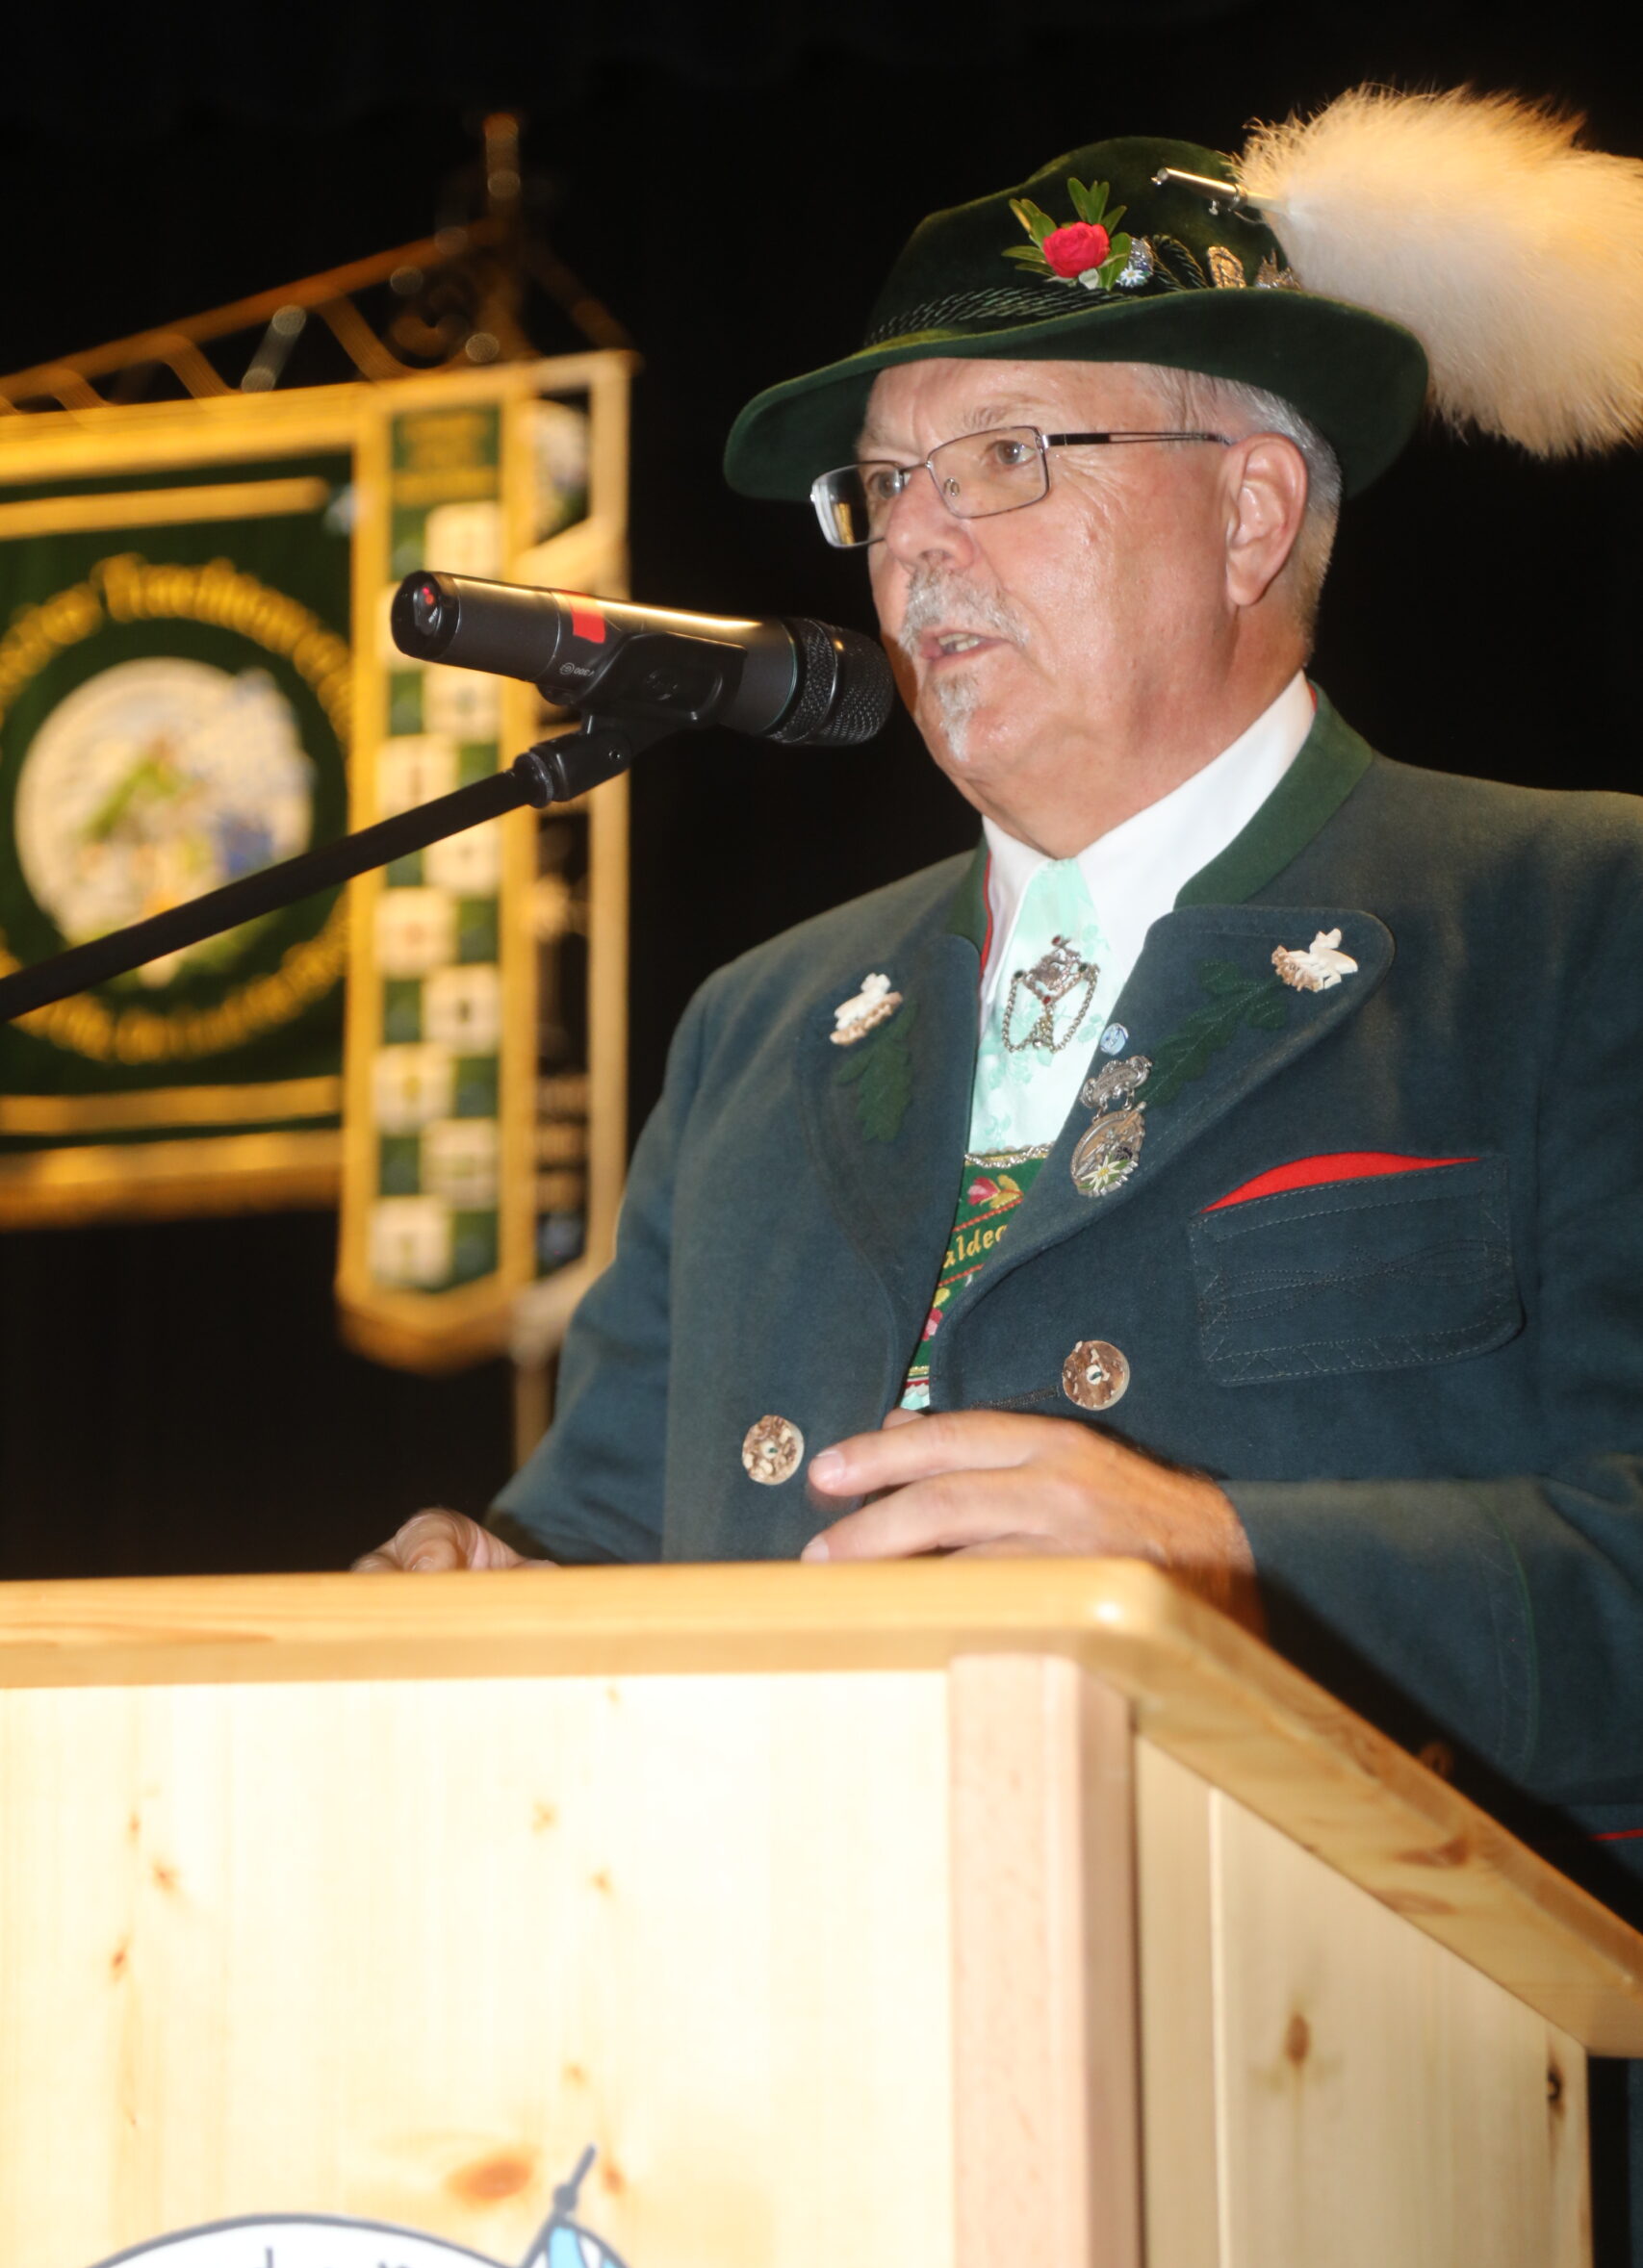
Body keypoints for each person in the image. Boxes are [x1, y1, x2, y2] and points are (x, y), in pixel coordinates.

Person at [360, 88, 1643, 1884]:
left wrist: (1222, 1568)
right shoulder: (761, 1024)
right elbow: (604, 1543)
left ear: (1252, 513)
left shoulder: (1575, 922)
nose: (917, 544)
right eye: (886, 486)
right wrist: (489, 1599)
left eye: (1009, 459)